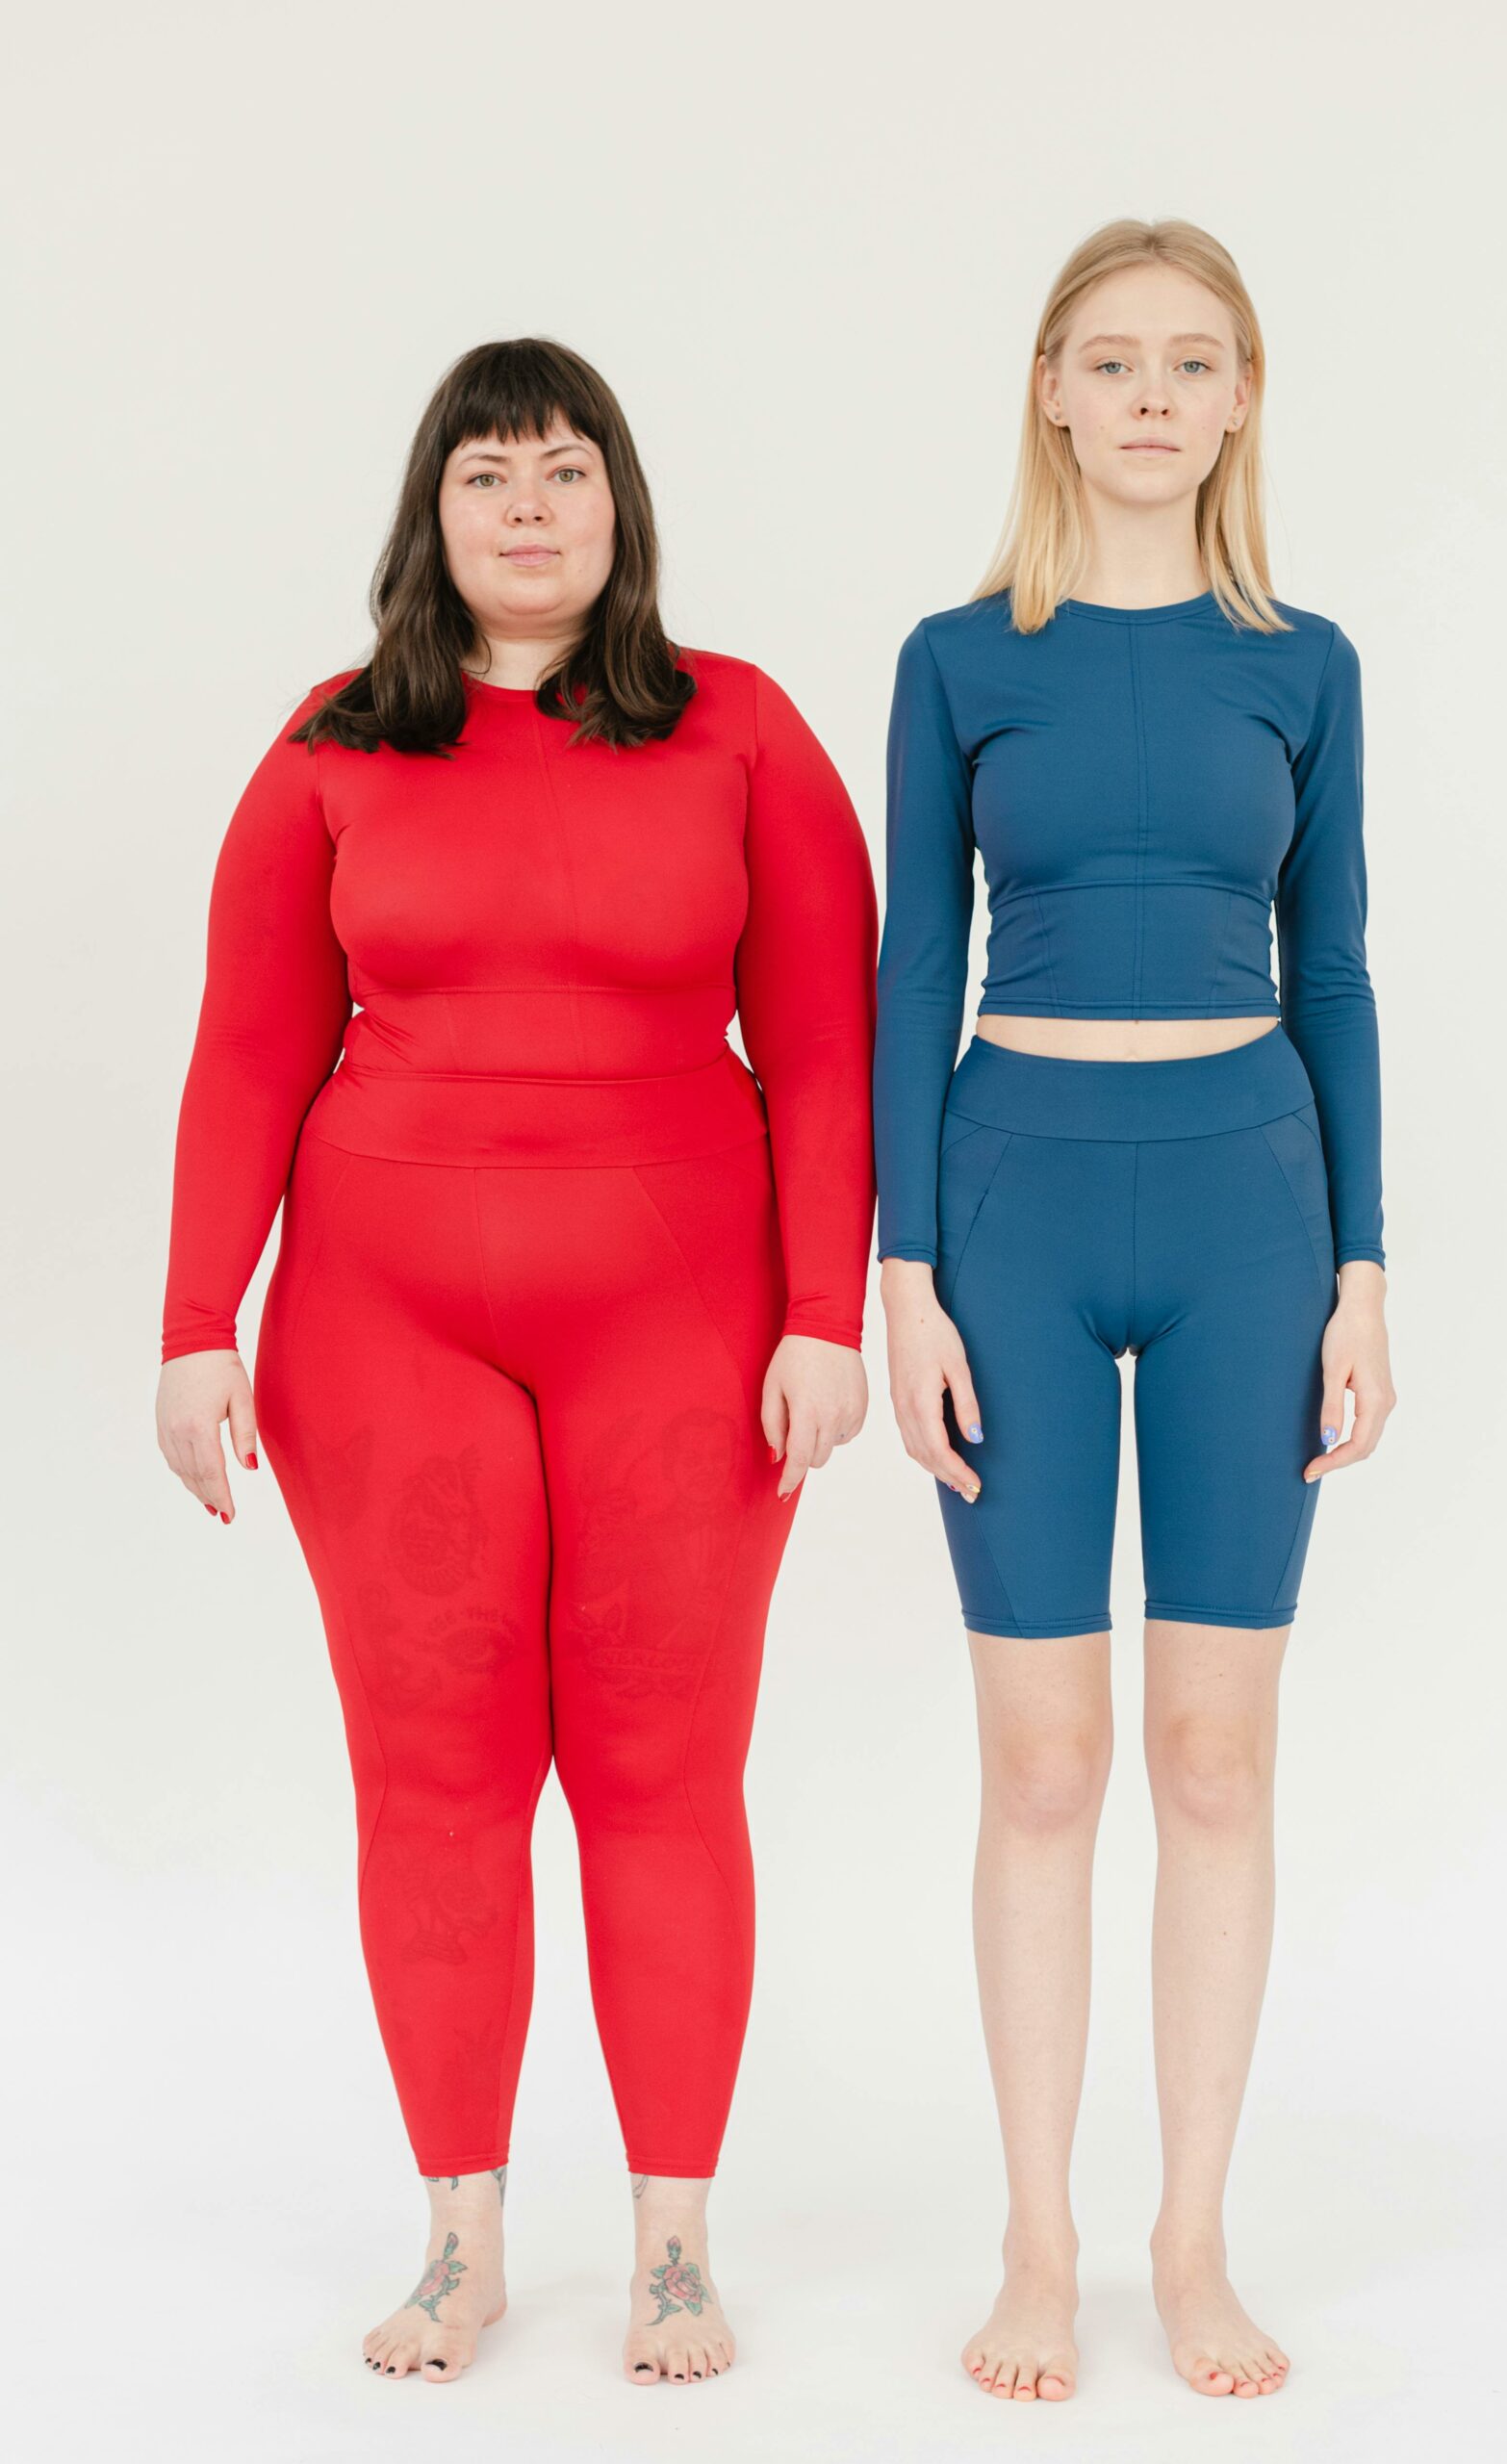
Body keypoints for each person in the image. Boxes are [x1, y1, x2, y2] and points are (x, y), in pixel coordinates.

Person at [154, 337, 878, 2388]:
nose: (533, 509)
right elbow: (244, 1049)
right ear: (433, 515)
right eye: (491, 476)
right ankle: (461, 2237)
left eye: (568, 471)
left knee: (658, 1768)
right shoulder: (329, 743)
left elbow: (828, 1042)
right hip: (383, 1323)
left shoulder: (738, 729)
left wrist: (825, 1307)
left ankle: (670, 2249)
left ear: (620, 505)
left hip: (689, 1316)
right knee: (437, 1779)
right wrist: (197, 1319)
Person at [874, 218, 1396, 2404]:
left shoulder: (1311, 660)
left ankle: (1189, 2234)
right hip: (1010, 1197)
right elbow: (915, 960)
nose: (1156, 393)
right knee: (1042, 1754)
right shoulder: (955, 652)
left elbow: (1338, 964)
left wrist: (1368, 1258)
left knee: (1210, 1750)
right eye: (1115, 360)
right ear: (1054, 393)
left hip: (1250, 1215)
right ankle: (1036, 2233)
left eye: (1196, 359)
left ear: (1243, 397)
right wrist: (896, 1262)